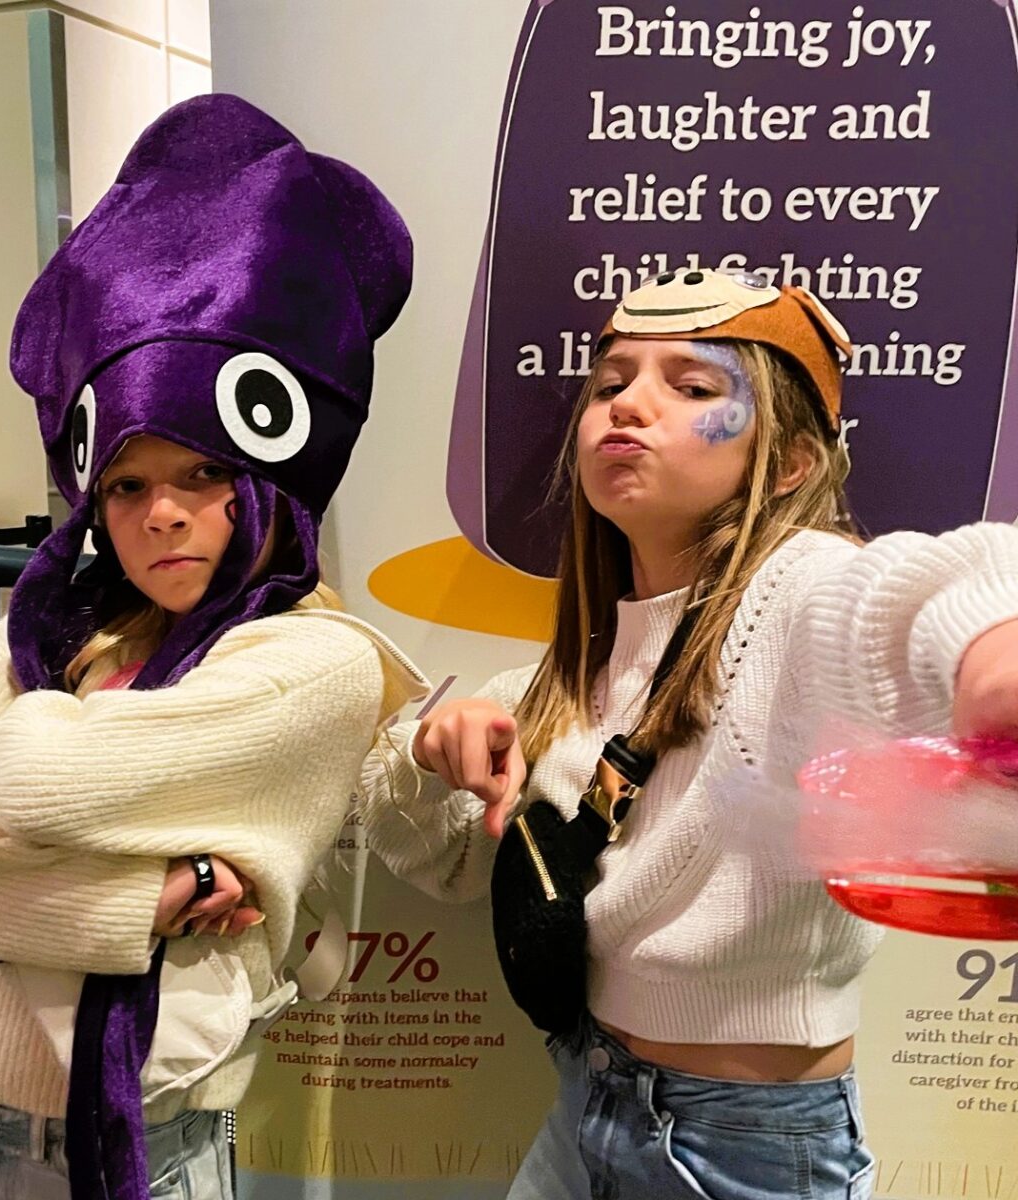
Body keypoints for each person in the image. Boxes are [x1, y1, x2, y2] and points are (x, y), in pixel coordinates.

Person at [0, 93, 425, 1200]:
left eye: (203, 475)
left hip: (135, 1136)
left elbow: (33, 777)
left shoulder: (313, 661)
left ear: (266, 481)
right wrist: (137, 902)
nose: (163, 514)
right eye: (130, 484)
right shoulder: (74, 626)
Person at [359, 268, 1018, 1200]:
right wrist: (435, 747)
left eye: (696, 387)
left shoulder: (793, 594)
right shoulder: (584, 663)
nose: (628, 405)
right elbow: (430, 854)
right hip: (588, 1095)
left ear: (788, 463)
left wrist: (990, 647)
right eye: (609, 383)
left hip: (735, 1145)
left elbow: (918, 590)